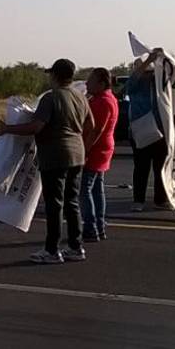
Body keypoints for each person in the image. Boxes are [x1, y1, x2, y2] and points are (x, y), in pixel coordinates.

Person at [0, 58, 94, 264]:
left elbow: (36, 127)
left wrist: (7, 129)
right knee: (72, 201)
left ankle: (52, 250)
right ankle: (76, 247)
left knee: (54, 204)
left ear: (55, 76)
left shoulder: (51, 98)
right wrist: (82, 145)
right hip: (77, 155)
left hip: (56, 155)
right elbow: (91, 124)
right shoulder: (80, 97)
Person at [127, 49, 172, 211]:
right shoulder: (135, 86)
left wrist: (164, 56)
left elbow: (173, 74)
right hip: (141, 131)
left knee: (160, 167)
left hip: (160, 130)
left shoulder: (159, 84)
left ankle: (161, 199)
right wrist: (147, 61)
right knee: (141, 168)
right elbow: (132, 81)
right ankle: (138, 200)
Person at [80, 68, 118, 242]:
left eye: (91, 81)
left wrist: (84, 150)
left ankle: (91, 227)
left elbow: (95, 130)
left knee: (85, 189)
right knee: (96, 188)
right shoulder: (107, 99)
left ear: (101, 83)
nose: (87, 83)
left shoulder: (102, 102)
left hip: (97, 149)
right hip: (103, 147)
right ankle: (99, 226)